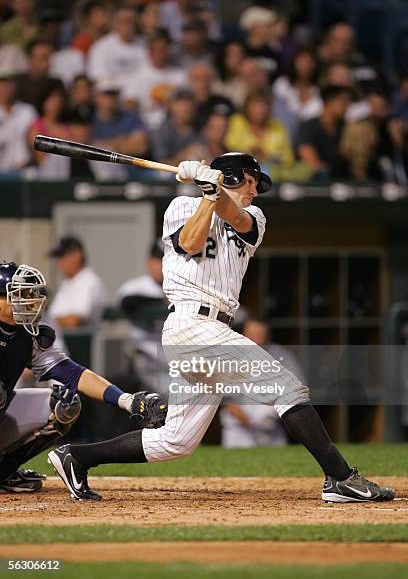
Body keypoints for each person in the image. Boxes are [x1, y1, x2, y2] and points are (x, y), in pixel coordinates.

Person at [48, 151, 394, 504]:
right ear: (229, 176)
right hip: (190, 325)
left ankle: (78, 456)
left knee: (176, 440)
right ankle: (339, 478)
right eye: (249, 180)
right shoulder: (180, 207)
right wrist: (208, 195)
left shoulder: (255, 216)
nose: (255, 190)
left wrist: (216, 192)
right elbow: (190, 243)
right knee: (287, 388)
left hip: (214, 330)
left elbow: (238, 219)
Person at [0, 261, 167, 496]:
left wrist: (126, 400)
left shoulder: (26, 337)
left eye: (28, 293)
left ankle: (3, 472)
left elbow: (74, 374)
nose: (27, 300)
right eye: (18, 295)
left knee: (64, 405)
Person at [221, 318, 295, 448]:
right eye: (252, 334)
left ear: (267, 336)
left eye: (260, 335)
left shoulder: (279, 354)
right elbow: (223, 396)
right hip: (238, 429)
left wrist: (273, 412)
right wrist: (247, 421)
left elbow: (295, 388)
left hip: (271, 426)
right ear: (243, 335)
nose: (256, 339)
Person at [117, 239, 169, 396]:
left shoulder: (180, 288)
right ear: (149, 262)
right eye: (158, 260)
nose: (162, 265)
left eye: (166, 260)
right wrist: (161, 301)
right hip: (143, 356)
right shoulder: (136, 286)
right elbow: (127, 302)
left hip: (171, 358)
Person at [48, 236, 107, 329]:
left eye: (62, 257)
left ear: (77, 255)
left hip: (79, 342)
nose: (58, 264)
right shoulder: (68, 282)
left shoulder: (90, 282)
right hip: (60, 340)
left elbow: (74, 321)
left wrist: (46, 321)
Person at [296, 84, 352, 180]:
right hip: (314, 182)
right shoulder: (309, 126)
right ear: (329, 102)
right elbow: (309, 158)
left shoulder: (346, 128)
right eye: (342, 101)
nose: (346, 106)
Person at [0, 70, 37, 174]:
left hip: (26, 170)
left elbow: (35, 138)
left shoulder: (27, 110)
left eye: (8, 85)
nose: (5, 89)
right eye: (2, 85)